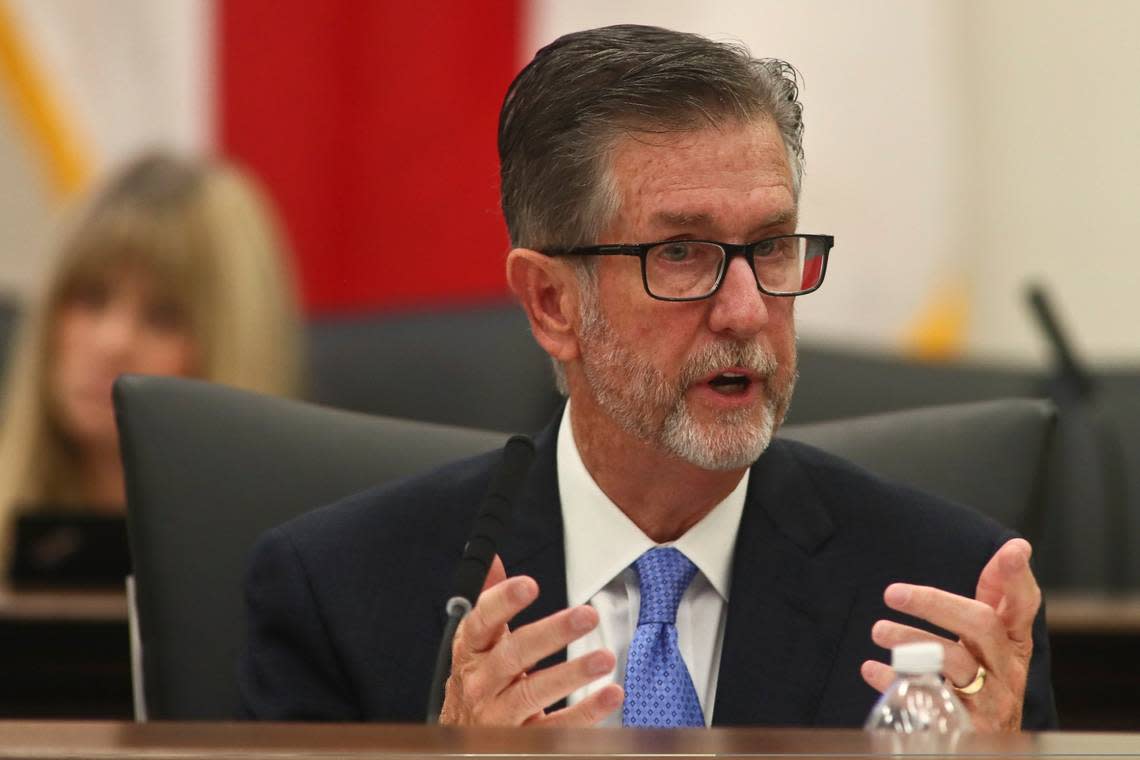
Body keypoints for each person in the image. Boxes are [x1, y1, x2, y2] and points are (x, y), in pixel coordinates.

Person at [240, 25, 1056, 729]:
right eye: (680, 253)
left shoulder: (952, 598)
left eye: (770, 245)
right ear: (553, 302)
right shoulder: (341, 594)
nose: (745, 309)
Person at [0, 151, 304, 579]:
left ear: (232, 349)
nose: (113, 341)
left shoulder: (290, 582)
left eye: (163, 317)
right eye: (91, 298)